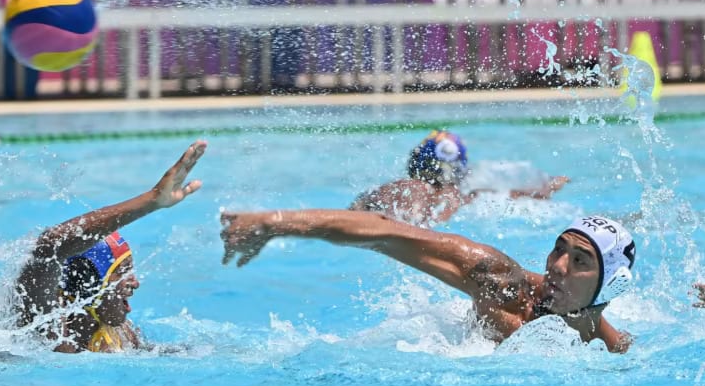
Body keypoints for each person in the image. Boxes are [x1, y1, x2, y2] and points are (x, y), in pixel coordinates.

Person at [220, 211, 636, 353]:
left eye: (579, 260)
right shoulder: (504, 287)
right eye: (558, 249)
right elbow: (390, 232)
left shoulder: (616, 351)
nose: (557, 266)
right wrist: (276, 224)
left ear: (610, 285)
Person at [14, 140, 207, 353]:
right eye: (122, 271)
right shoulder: (48, 328)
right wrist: (151, 200)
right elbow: (49, 247)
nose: (135, 283)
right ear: (87, 283)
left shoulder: (122, 333)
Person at [349, 130, 570, 226]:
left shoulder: (394, 190)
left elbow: (351, 212)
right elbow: (512, 197)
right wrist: (549, 187)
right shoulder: (463, 197)